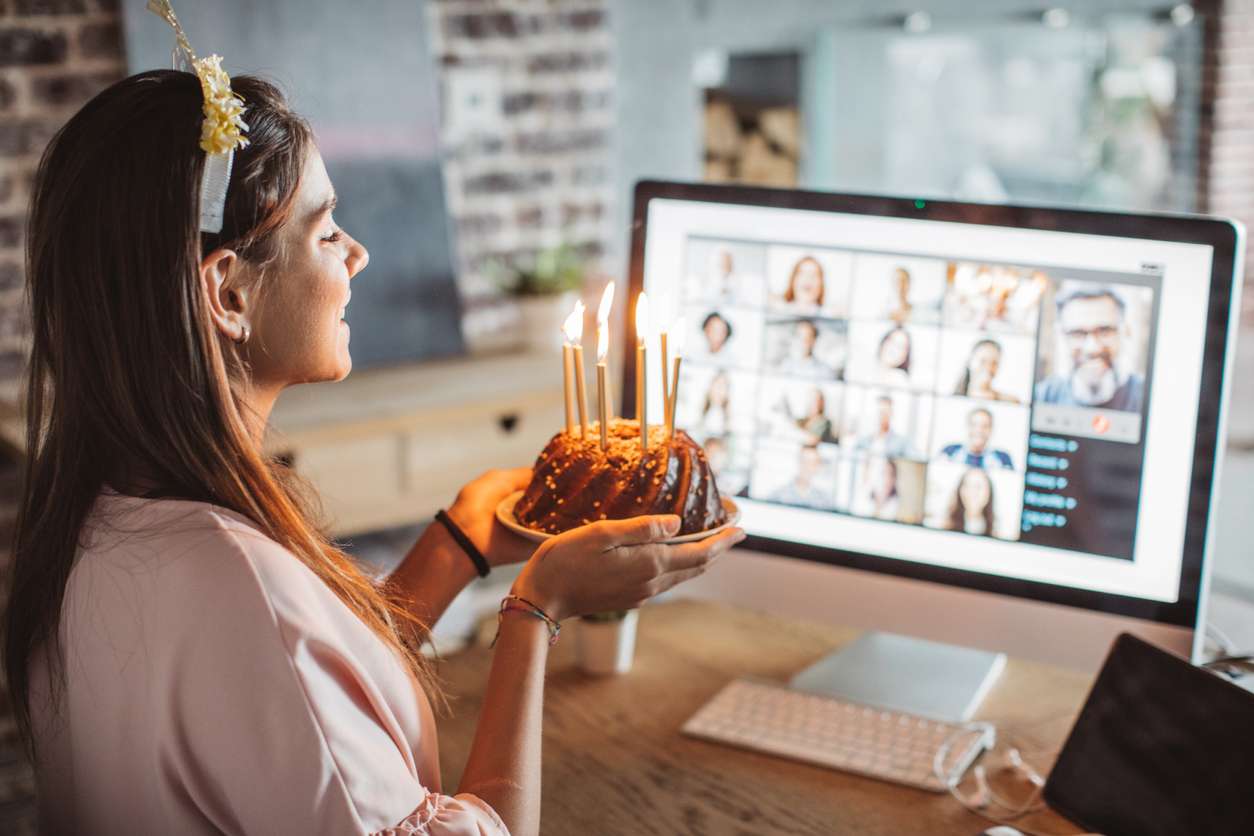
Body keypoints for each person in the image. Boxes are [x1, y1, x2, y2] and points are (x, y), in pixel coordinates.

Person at [3, 41, 744, 836]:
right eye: (324, 231)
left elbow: (309, 695)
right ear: (226, 291)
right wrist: (538, 609)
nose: (357, 253)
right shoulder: (232, 581)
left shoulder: (106, 514)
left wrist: (456, 544)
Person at [1034, 285, 1145, 412]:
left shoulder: (1147, 397)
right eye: (1078, 333)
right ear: (1062, 336)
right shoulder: (1042, 397)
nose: (1092, 348)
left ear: (1125, 332)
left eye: (1105, 331)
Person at [939, 407, 1015, 469]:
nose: (979, 430)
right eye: (974, 425)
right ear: (967, 426)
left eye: (985, 426)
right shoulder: (949, 451)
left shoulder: (1003, 459)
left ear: (991, 429)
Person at [955, 338, 1019, 403]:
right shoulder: (954, 398)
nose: (988, 368)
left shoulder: (1010, 401)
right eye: (983, 361)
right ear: (970, 362)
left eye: (994, 363)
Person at [852, 394, 915, 459]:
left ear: (891, 414)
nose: (882, 417)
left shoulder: (901, 443)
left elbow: (914, 458)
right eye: (880, 412)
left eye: (885, 413)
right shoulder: (863, 440)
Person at [770, 386, 837, 445]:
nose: (815, 403)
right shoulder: (806, 420)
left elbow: (813, 440)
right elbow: (792, 423)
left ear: (822, 403)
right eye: (812, 400)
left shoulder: (824, 422)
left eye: (818, 400)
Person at [775, 318, 839, 379]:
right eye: (799, 337)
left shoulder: (825, 372)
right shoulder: (785, 367)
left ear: (814, 341)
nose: (802, 342)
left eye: (807, 338)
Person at [945, 468, 996, 536]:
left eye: (978, 486)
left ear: (989, 493)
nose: (972, 492)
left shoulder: (997, 534)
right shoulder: (946, 527)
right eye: (967, 485)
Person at [853, 456, 899, 521]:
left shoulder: (894, 505)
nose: (886, 479)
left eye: (890, 474)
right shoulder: (863, 494)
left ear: (894, 479)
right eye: (883, 473)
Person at [697, 370, 733, 437]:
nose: (718, 391)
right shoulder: (699, 412)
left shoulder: (730, 418)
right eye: (716, 385)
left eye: (723, 386)